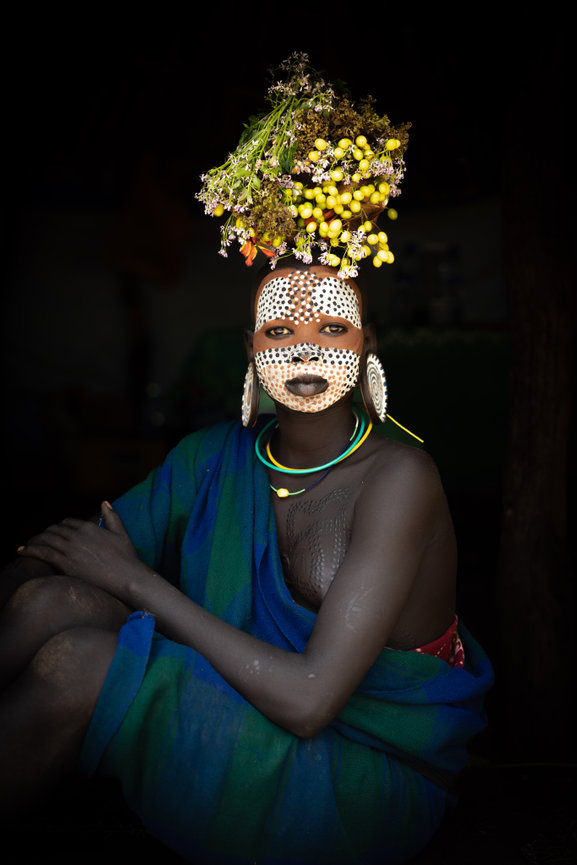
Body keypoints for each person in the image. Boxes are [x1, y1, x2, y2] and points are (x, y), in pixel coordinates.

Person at [0, 55, 493, 865]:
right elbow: (70, 556)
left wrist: (135, 582)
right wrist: (38, 579)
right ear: (249, 350)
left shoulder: (401, 478)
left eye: (330, 329)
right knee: (47, 606)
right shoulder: (211, 459)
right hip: (241, 700)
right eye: (279, 330)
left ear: (367, 345)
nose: (304, 348)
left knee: (76, 658)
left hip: (356, 773)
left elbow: (308, 702)